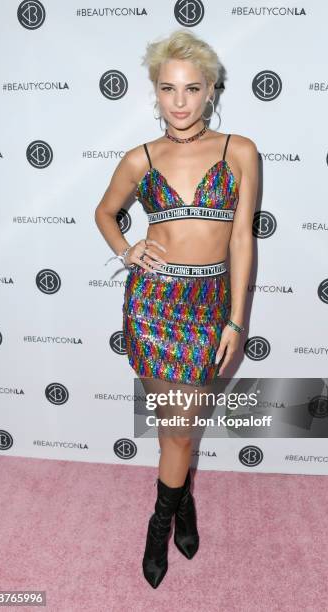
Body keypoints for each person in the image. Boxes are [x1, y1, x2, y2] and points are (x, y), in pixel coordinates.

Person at [95, 29, 258, 588]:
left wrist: (236, 317)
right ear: (155, 93)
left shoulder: (240, 151)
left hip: (210, 305)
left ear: (211, 90)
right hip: (155, 306)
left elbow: (241, 240)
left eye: (192, 88)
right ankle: (162, 521)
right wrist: (126, 249)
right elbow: (104, 212)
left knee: (179, 430)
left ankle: (176, 503)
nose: (180, 101)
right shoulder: (140, 158)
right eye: (168, 88)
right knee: (178, 428)